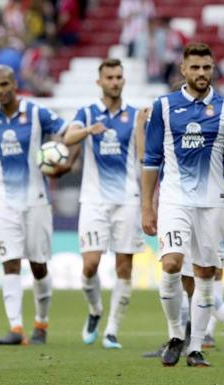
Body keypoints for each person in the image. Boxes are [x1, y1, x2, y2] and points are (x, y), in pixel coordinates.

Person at [141, 42, 224, 368]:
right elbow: (150, 160)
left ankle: (195, 349)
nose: (201, 73)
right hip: (174, 199)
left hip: (214, 202)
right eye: (196, 67)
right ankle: (176, 334)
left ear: (213, 69)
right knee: (172, 264)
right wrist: (147, 206)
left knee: (205, 275)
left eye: (207, 67)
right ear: (183, 70)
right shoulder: (163, 107)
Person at [0, 64, 72, 345]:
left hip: (36, 201)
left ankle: (41, 324)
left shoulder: (36, 113)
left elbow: (66, 133)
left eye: (4, 85)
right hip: (3, 203)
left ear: (15, 84)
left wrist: (63, 161)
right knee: (9, 264)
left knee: (38, 267)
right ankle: (16, 329)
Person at [63, 58, 149, 349]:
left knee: (124, 267)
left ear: (123, 81)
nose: (114, 81)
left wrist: (141, 128)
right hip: (93, 201)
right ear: (99, 82)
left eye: (118, 77)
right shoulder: (87, 114)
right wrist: (89, 131)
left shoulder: (135, 115)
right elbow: (66, 138)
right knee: (90, 265)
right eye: (109, 77)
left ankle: (112, 330)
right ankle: (95, 310)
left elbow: (143, 157)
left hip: (127, 200)